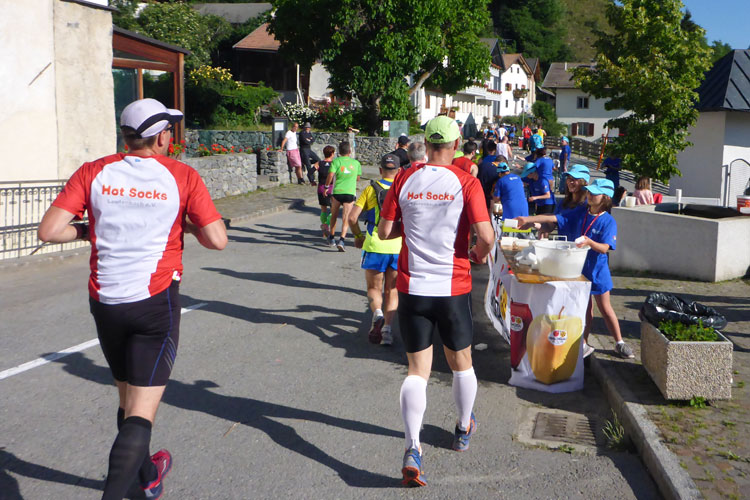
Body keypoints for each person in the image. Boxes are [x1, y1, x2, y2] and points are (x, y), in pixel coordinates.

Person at [37, 98, 228, 500]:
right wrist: (187, 225)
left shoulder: (93, 171)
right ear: (160, 137)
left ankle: (148, 477)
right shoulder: (181, 175)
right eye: (169, 131)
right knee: (140, 412)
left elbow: (50, 231)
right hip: (155, 302)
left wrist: (88, 231)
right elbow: (217, 240)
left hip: (106, 302)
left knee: (127, 398)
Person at [377, 115, 494, 487]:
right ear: (456, 145)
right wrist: (476, 256)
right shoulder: (467, 182)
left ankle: (413, 448)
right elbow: (486, 237)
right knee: (462, 364)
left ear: (425, 144)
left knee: (417, 371)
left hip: (414, 289)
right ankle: (462, 428)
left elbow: (384, 231)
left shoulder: (404, 178)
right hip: (453, 287)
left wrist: (411, 229)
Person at [516, 178, 634, 360]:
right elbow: (554, 218)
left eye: (594, 194)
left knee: (605, 308)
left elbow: (605, 248)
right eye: (589, 192)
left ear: (605, 198)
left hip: (597, 271)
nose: (590, 195)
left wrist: (589, 242)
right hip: (578, 269)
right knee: (584, 309)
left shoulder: (608, 221)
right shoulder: (581, 211)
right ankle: (583, 344)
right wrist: (530, 220)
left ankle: (619, 342)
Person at [348, 153, 402, 345]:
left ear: (380, 170)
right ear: (399, 171)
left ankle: (377, 313)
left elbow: (352, 218)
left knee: (374, 288)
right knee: (392, 290)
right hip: (397, 246)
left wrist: (358, 236)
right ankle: (387, 330)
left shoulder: (371, 189)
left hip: (375, 244)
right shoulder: (403, 189)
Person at [325, 141, 362, 251]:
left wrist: (326, 186)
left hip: (337, 192)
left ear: (339, 152)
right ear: (349, 151)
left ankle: (332, 237)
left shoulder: (336, 161)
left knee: (334, 215)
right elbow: (358, 178)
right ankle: (342, 240)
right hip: (349, 192)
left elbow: (330, 175)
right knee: (346, 217)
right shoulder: (356, 163)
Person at [491, 161, 528, 226]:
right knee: (523, 227)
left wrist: (492, 195)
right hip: (524, 206)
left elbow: (496, 199)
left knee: (509, 228)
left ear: (500, 173)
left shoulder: (501, 181)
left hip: (510, 207)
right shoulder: (518, 177)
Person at [316, 145, 336, 238]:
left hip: (321, 188)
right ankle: (326, 225)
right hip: (331, 188)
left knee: (323, 209)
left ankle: (325, 230)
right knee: (333, 210)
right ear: (332, 154)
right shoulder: (334, 163)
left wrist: (312, 181)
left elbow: (310, 172)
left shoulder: (319, 163)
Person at [477, 141, 500, 211]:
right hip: (493, 177)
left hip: (483, 176)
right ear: (495, 150)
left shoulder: (484, 158)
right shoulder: (497, 158)